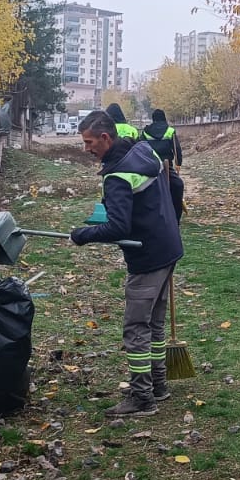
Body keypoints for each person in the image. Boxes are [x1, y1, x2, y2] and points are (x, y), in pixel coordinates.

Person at [70, 111, 184, 417]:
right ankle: (158, 384)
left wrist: (83, 235)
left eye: (89, 142)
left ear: (105, 138)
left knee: (136, 327)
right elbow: (175, 186)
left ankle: (142, 398)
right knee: (155, 323)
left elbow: (118, 227)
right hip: (168, 248)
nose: (86, 149)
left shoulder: (118, 175)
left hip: (147, 257)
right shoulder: (144, 151)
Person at [142, 108, 186, 217]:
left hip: (150, 166)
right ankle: (176, 215)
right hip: (167, 168)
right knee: (178, 185)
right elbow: (177, 149)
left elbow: (140, 147)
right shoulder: (170, 131)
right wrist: (178, 163)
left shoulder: (145, 132)